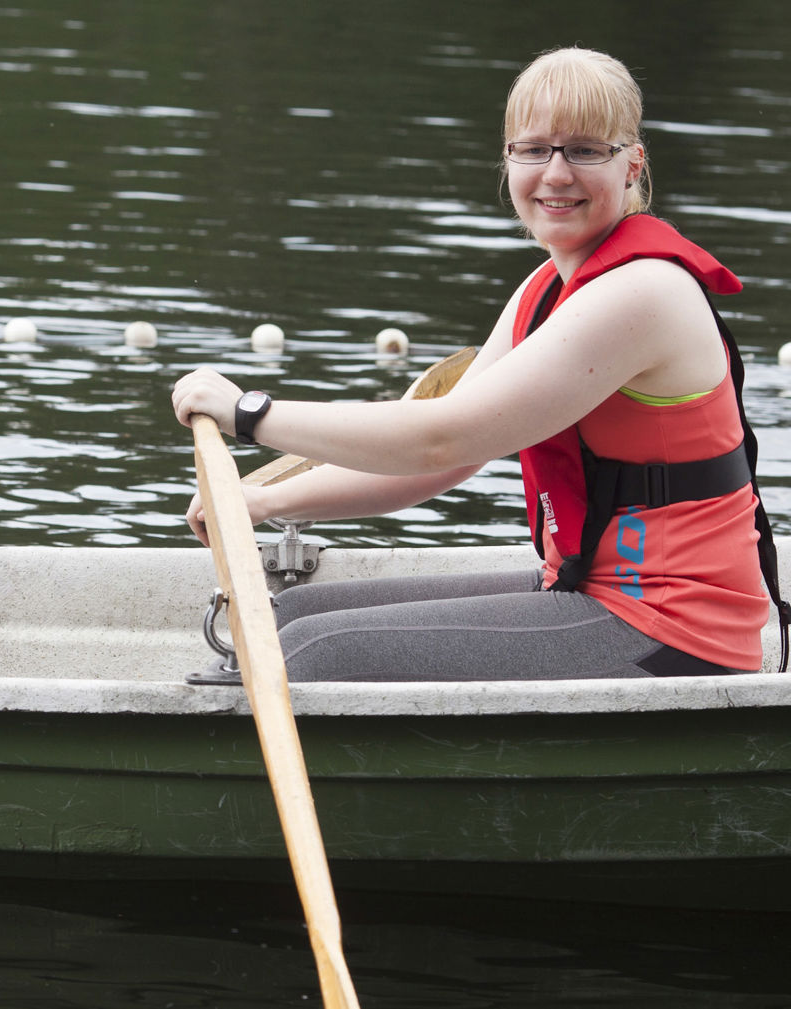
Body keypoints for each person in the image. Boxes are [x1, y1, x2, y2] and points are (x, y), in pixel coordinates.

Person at [170, 47, 787, 682]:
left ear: (632, 164)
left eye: (583, 150)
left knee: (306, 651)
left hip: (669, 628)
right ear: (508, 162)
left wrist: (251, 414)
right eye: (533, 150)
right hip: (592, 591)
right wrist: (261, 501)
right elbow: (446, 458)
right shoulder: (545, 290)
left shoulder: (643, 293)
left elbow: (442, 437)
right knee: (287, 615)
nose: (556, 174)